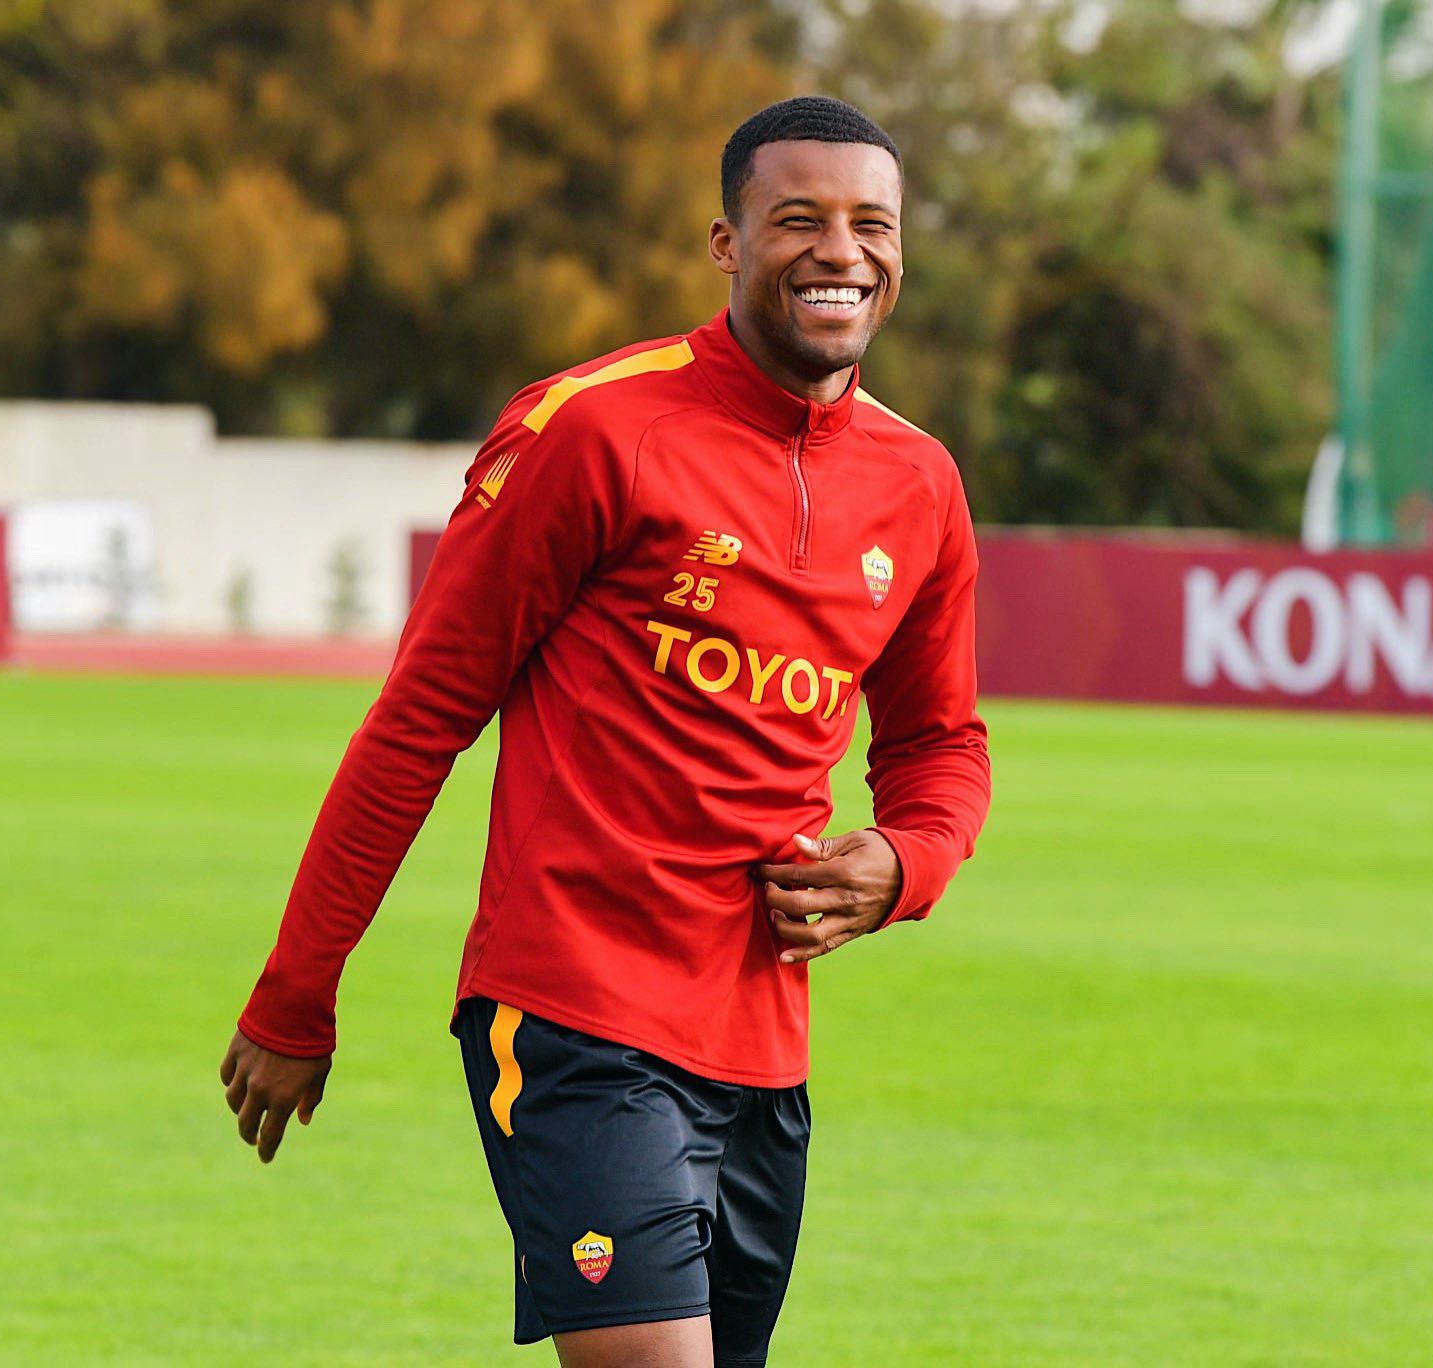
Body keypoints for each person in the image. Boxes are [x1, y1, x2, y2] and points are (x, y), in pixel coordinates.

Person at [219, 96, 991, 1367]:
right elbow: (420, 719)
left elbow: (939, 747)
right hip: (576, 1014)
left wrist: (910, 863)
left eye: (871, 224)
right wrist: (298, 991)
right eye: (797, 219)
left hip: (762, 1046)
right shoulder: (593, 428)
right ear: (726, 243)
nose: (839, 251)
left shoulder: (920, 484)